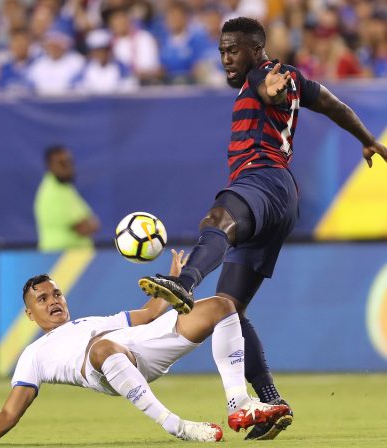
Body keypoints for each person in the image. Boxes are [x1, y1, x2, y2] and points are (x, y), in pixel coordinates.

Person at [138, 17, 387, 440]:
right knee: (229, 311)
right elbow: (335, 106)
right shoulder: (289, 80)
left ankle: (185, 283)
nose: (225, 57)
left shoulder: (267, 75)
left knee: (217, 220)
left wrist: (270, 88)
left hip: (262, 180)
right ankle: (270, 399)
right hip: (282, 197)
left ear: (256, 49)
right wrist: (367, 138)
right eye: (221, 50)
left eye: (232, 49)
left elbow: (268, 85)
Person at [0, 250, 290, 445]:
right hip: (103, 366)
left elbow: (150, 313)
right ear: (29, 313)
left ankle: (238, 403)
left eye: (56, 293)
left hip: (142, 346)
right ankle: (177, 426)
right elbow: (9, 414)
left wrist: (176, 281)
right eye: (42, 298)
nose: (53, 300)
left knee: (221, 306)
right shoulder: (32, 356)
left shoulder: (91, 321)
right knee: (102, 347)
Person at [34, 145, 100, 252]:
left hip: (73, 258)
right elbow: (83, 228)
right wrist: (92, 223)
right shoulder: (52, 193)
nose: (68, 167)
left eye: (70, 161)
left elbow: (90, 223)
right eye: (62, 163)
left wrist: (91, 223)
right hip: (58, 259)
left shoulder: (66, 188)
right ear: (49, 166)